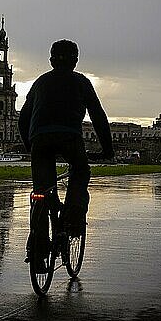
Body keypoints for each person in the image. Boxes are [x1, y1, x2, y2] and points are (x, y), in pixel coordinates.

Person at [19, 39, 114, 260]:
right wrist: (107, 150)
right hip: (70, 137)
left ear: (51, 60)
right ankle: (72, 219)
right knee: (81, 172)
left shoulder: (41, 82)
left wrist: (29, 145)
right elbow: (98, 117)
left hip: (40, 140)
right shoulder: (82, 82)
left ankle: (38, 250)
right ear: (76, 60)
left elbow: (23, 118)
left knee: (40, 192)